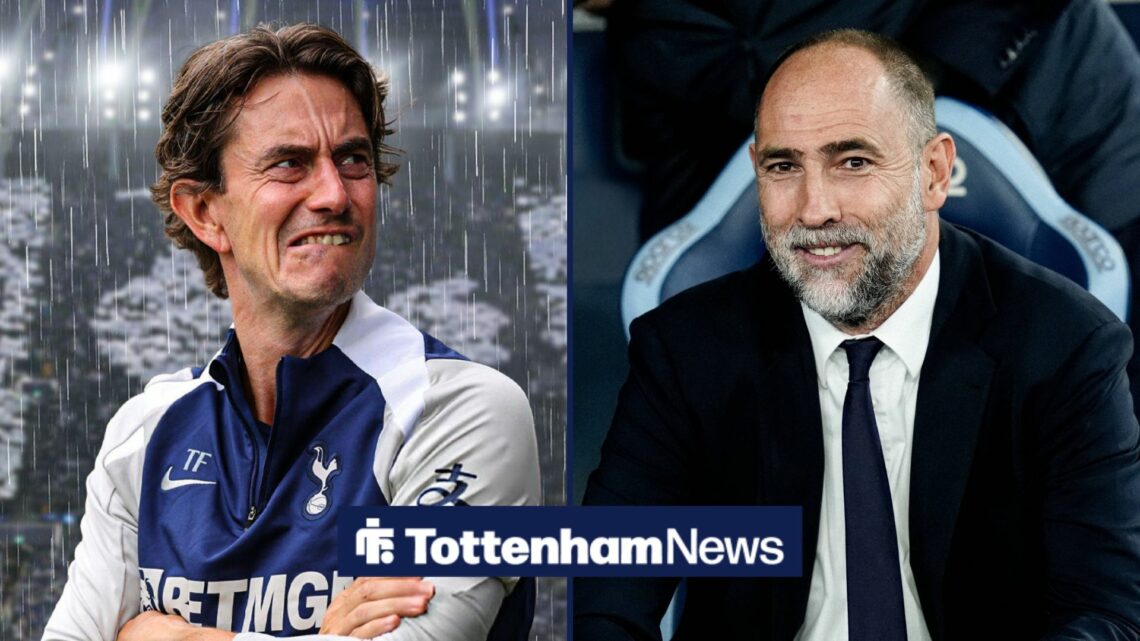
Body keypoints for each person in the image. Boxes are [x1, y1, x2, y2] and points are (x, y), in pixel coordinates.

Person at [575, 29, 1140, 640]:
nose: (814, 209)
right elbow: (608, 592)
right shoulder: (686, 349)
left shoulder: (1064, 345)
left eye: (853, 162)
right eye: (784, 166)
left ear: (934, 172)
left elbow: (1107, 613)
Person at [42, 23, 540, 641]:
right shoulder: (142, 434)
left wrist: (174, 636)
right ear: (204, 211)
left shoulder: (463, 411)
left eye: (353, 159)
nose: (335, 193)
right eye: (289, 164)